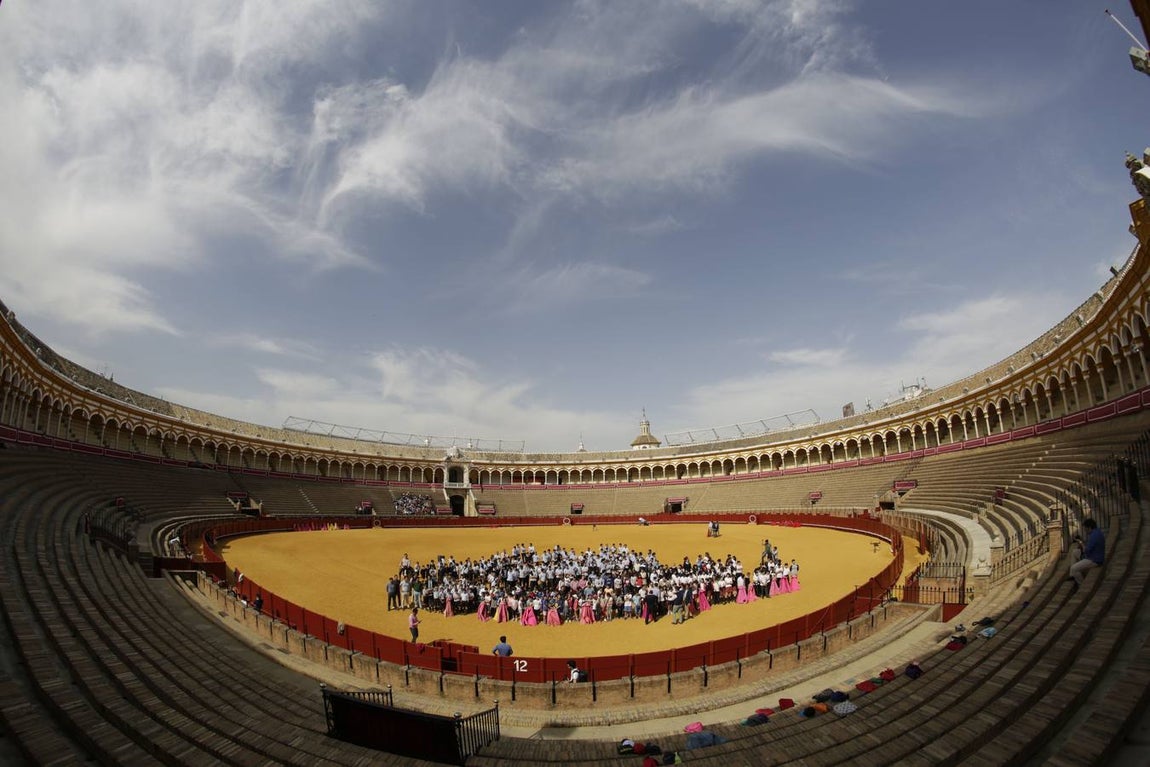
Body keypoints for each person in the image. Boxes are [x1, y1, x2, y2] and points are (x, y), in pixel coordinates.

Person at [1068, 518, 1105, 587]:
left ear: (1089, 527)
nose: (1085, 531)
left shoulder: (1094, 536)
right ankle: (1072, 575)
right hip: (1093, 555)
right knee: (1074, 552)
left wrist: (1081, 543)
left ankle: (1081, 585)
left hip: (1094, 559)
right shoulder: (1097, 532)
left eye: (1085, 529)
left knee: (1074, 568)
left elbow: (1086, 550)